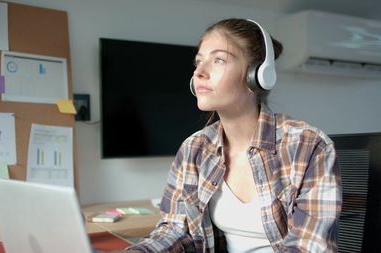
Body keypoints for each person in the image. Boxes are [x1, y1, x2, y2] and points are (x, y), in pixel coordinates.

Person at [117, 18, 342, 253]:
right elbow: (175, 229)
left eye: (219, 60)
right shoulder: (194, 149)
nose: (199, 73)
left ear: (257, 75)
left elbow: (309, 246)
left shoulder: (308, 146)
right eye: (198, 62)